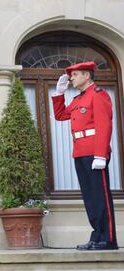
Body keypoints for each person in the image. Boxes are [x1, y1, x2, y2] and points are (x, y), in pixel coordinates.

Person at [52, 61, 118, 250]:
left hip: (94, 152)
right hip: (80, 152)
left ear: (87, 76)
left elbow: (104, 125)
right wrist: (59, 94)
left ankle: (108, 239)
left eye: (75, 75)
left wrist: (100, 154)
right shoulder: (79, 98)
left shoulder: (98, 95)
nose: (71, 78)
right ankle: (96, 236)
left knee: (100, 196)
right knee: (90, 197)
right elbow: (61, 115)